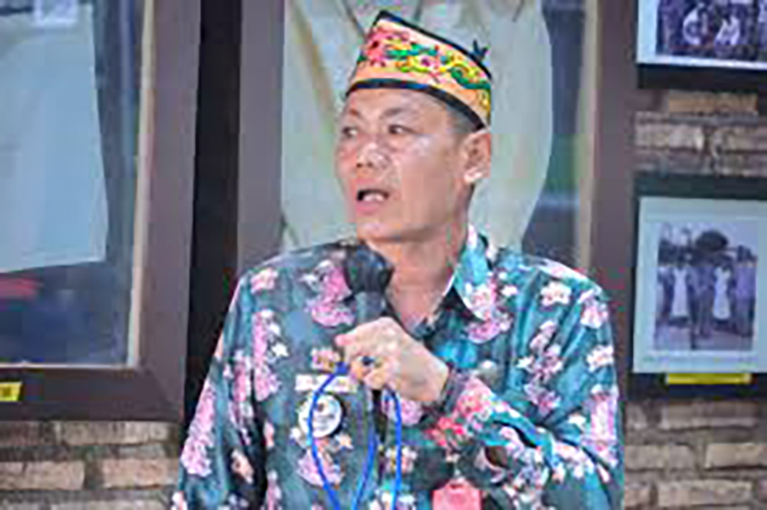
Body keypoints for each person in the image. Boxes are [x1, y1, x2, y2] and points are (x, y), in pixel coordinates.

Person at [173, 11, 622, 509]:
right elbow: (205, 494)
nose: (364, 155)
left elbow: (594, 499)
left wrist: (446, 393)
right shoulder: (274, 298)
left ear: (474, 157)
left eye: (398, 130)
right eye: (350, 131)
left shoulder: (557, 308)